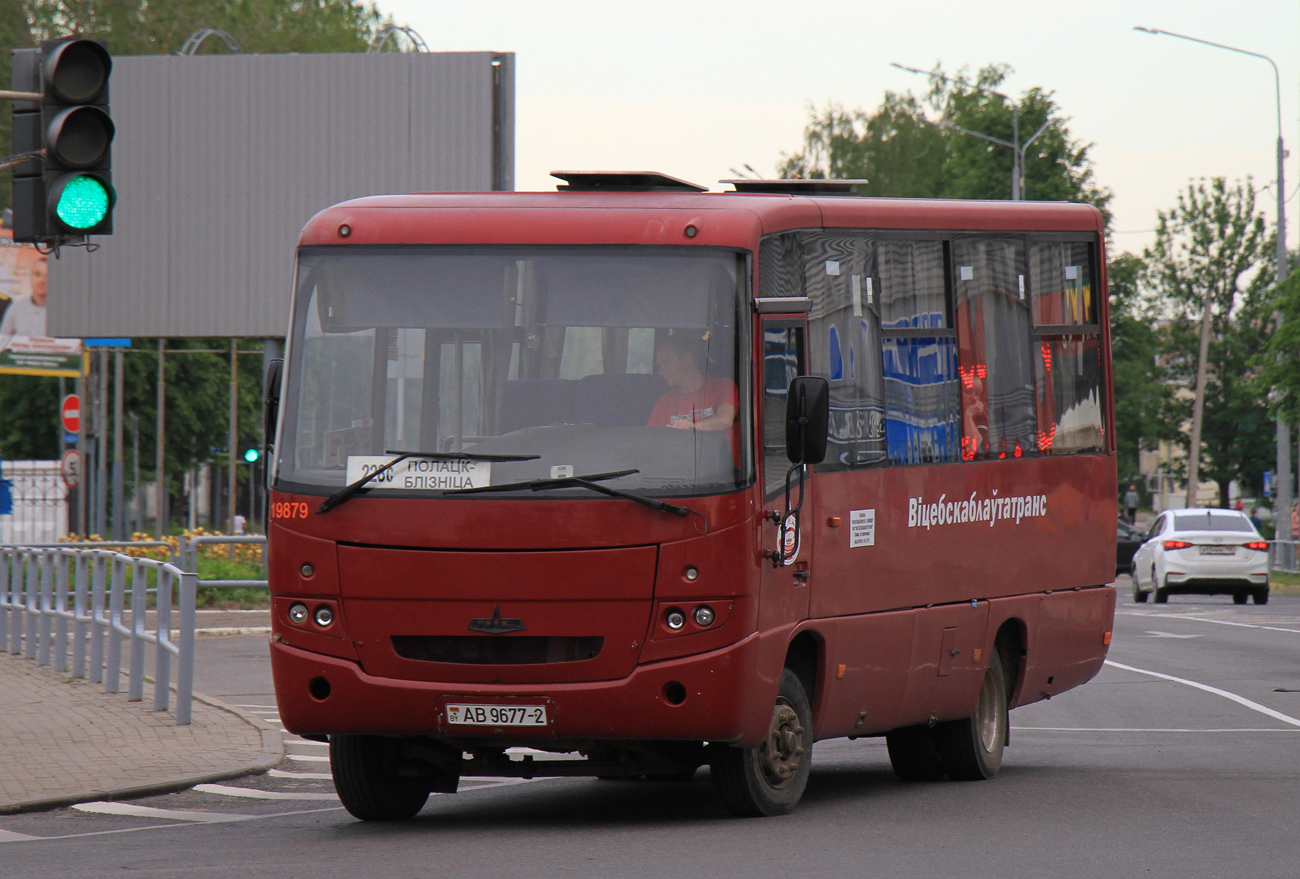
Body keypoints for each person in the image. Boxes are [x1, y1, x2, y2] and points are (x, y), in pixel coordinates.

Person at [646, 331, 736, 432]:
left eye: (666, 362)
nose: (661, 372)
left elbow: (725, 420)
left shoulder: (723, 386)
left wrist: (693, 427)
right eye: (660, 365)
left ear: (687, 359)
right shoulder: (665, 401)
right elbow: (653, 438)